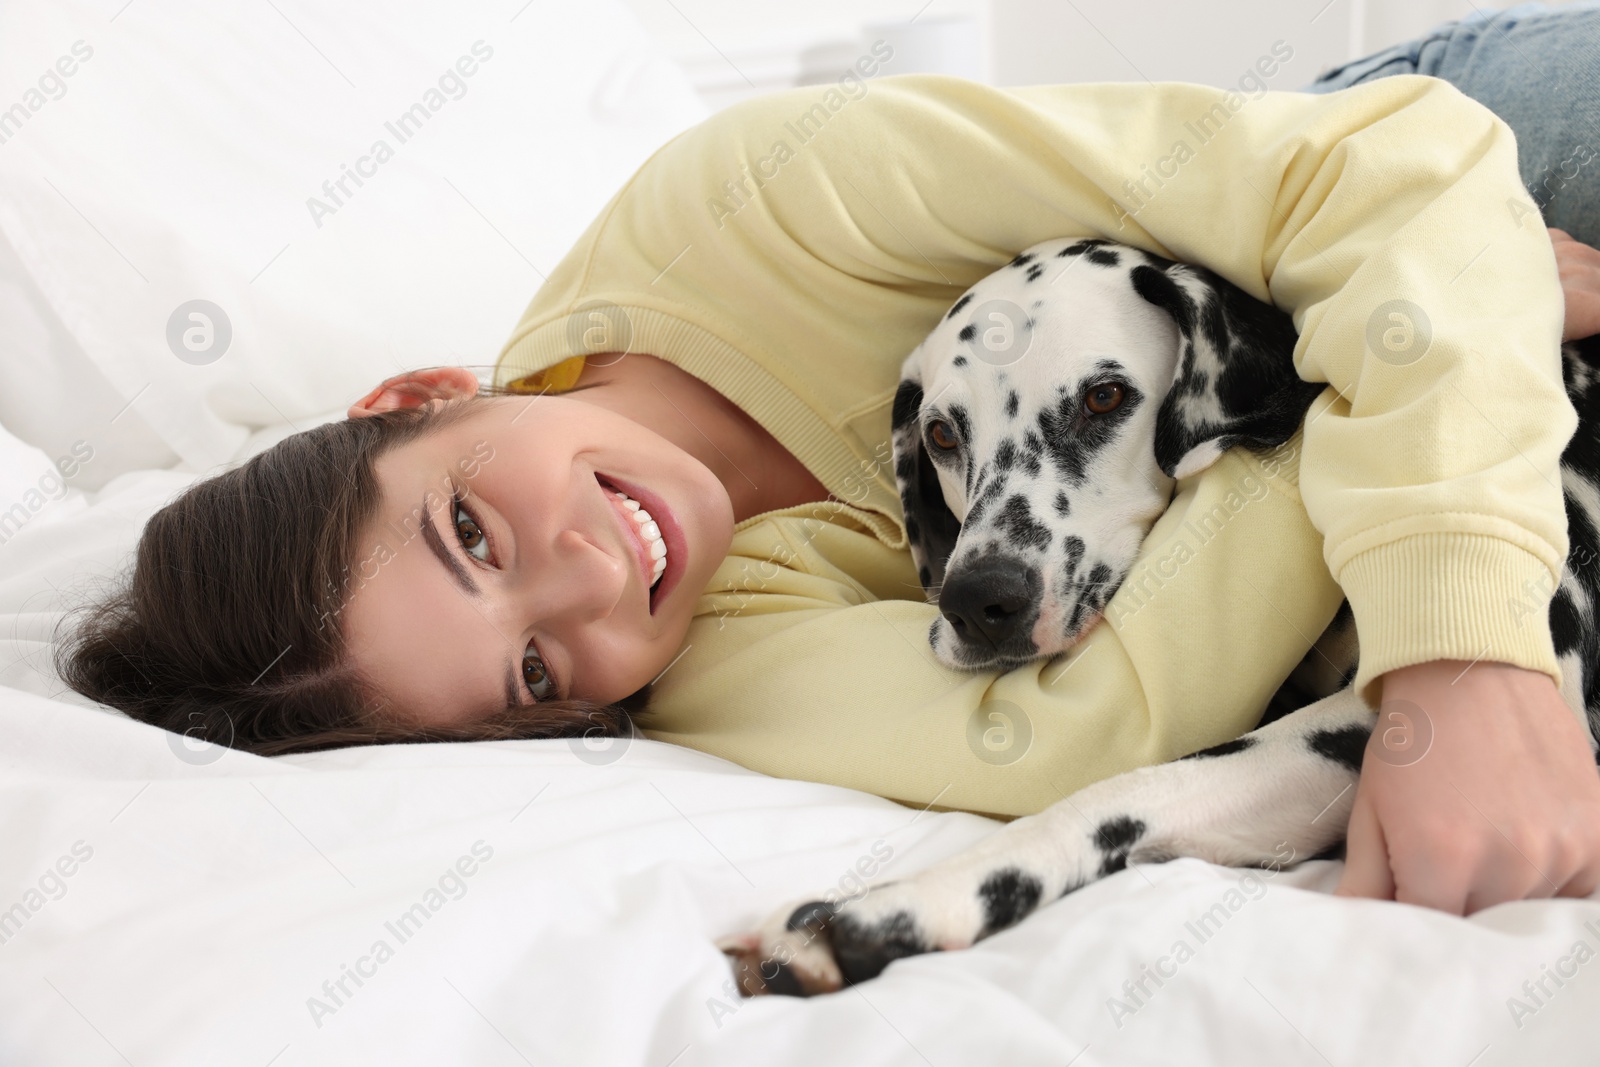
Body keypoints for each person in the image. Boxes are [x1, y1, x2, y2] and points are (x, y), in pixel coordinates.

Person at [58, 3, 1600, 919]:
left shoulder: (752, 207)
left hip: (1427, 143)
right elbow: (1098, 720)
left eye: (471, 527)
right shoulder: (703, 663)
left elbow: (1395, 167)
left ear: (425, 392)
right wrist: (1395, 327)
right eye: (532, 672)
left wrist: (1462, 651)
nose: (592, 585)